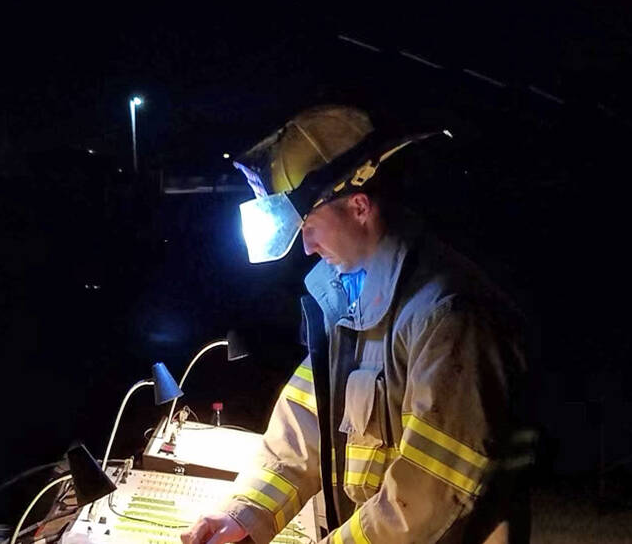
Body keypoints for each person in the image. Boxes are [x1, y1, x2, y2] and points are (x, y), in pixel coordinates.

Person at [181, 105, 533, 544]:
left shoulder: (449, 315)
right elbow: (304, 426)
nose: (306, 247)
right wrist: (245, 514)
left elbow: (428, 494)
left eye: (308, 226)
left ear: (360, 206)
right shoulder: (349, 300)